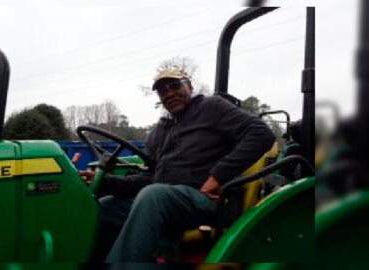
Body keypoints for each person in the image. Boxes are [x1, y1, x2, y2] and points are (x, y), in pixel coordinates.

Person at [79, 67, 275, 262]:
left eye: (175, 85)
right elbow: (150, 178)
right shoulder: (161, 130)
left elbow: (261, 135)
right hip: (166, 199)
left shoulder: (212, 107)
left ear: (189, 86)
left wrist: (216, 178)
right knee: (105, 207)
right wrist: (105, 181)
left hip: (209, 200)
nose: (170, 93)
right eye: (163, 90)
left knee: (153, 196)